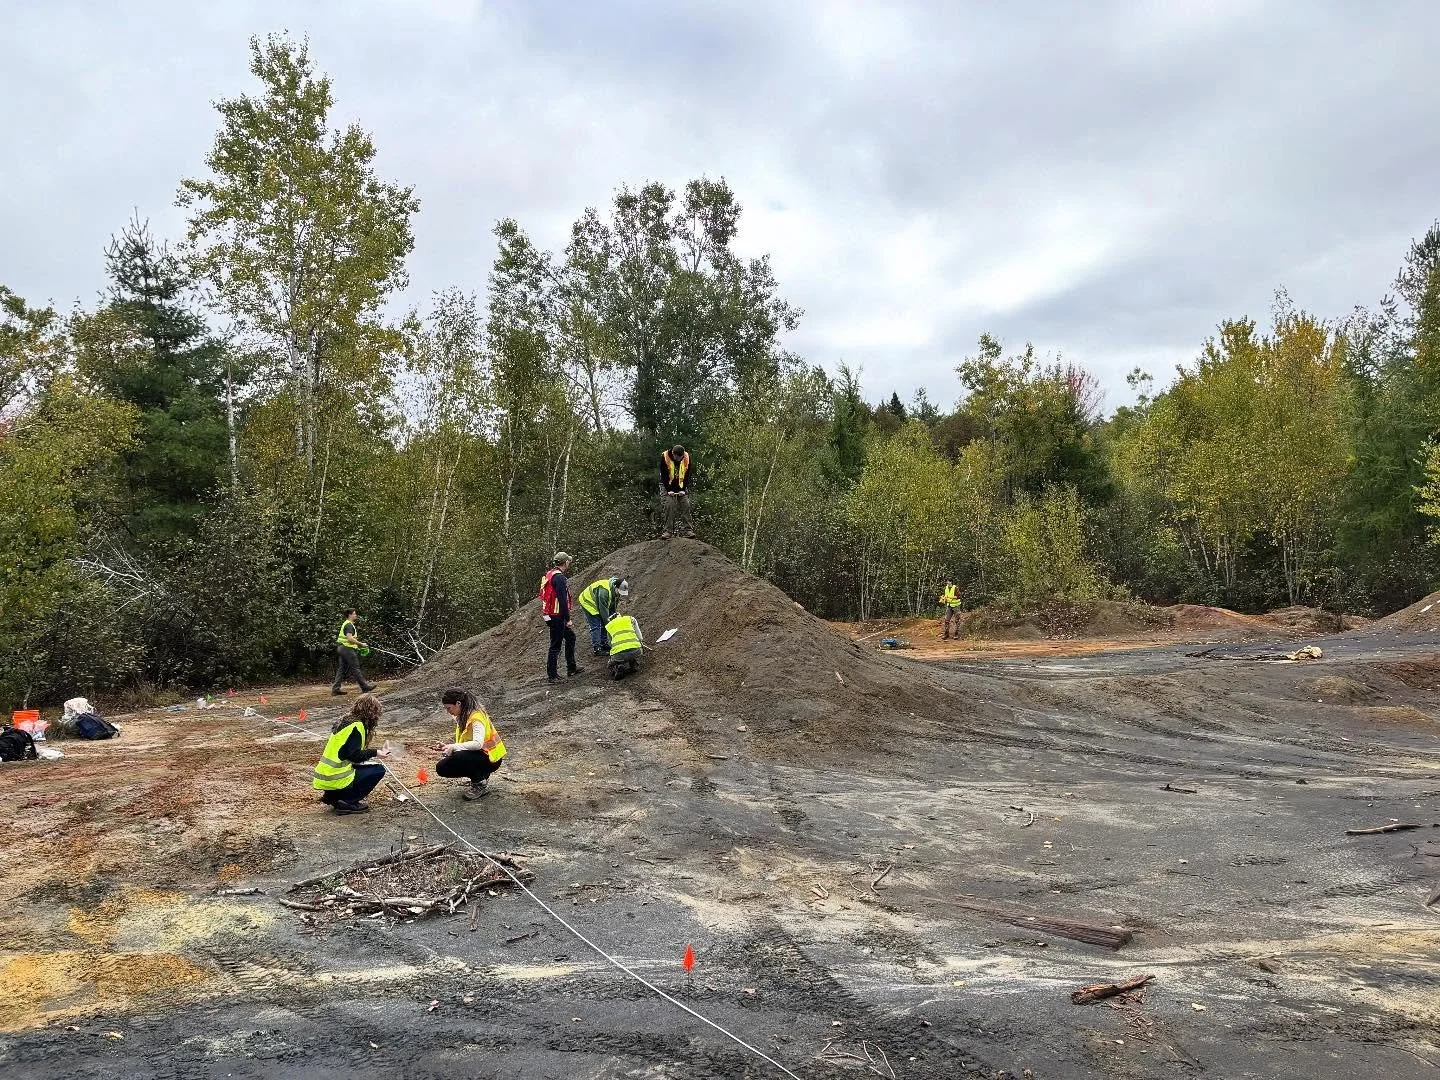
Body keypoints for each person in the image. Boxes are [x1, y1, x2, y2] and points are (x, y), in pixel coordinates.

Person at [312, 693, 389, 815]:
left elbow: (346, 754)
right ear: (370, 712)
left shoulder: (345, 721)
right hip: (336, 777)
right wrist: (376, 752)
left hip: (326, 775)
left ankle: (334, 797)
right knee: (378, 770)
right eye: (376, 712)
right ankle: (347, 801)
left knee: (362, 767)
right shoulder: (357, 726)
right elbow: (354, 755)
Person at [433, 687, 507, 800]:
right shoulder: (463, 716)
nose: (448, 711)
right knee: (443, 767)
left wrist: (453, 747)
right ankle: (478, 777)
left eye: (449, 708)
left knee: (456, 758)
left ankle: (480, 782)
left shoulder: (476, 718)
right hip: (481, 755)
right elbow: (465, 743)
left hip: (492, 758)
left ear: (458, 703)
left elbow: (477, 744)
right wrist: (447, 747)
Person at [540, 552, 580, 682]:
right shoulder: (560, 578)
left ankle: (571, 667)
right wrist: (568, 619)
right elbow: (562, 600)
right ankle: (552, 675)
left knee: (570, 637)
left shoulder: (550, 574)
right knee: (555, 645)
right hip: (557, 615)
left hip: (550, 614)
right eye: (568, 561)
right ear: (566, 563)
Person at [577, 576, 630, 656]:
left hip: (598, 602)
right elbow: (603, 612)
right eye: (619, 592)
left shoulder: (616, 590)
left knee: (606, 622)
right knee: (596, 625)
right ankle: (597, 649)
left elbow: (612, 606)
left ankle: (604, 643)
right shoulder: (604, 591)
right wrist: (609, 624)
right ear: (616, 587)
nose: (620, 594)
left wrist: (613, 617)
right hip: (588, 601)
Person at [332, 607, 375, 695]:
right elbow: (349, 638)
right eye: (354, 614)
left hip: (341, 648)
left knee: (342, 669)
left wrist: (356, 646)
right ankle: (365, 687)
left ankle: (335, 689)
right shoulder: (349, 625)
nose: (356, 615)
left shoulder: (346, 624)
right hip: (346, 649)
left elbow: (348, 640)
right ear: (350, 615)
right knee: (355, 668)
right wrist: (361, 644)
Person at [659, 443, 695, 538]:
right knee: (670, 505)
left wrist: (683, 489)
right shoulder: (665, 457)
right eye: (677, 457)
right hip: (667, 485)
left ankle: (688, 530)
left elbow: (687, 475)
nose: (679, 459)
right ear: (673, 454)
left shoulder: (686, 457)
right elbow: (664, 475)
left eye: (681, 457)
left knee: (686, 504)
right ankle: (668, 531)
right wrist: (669, 489)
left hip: (680, 486)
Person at [605, 612, 644, 680]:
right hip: (636, 651)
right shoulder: (630, 619)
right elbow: (640, 638)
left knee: (610, 664)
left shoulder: (609, 625)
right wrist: (640, 644)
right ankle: (633, 664)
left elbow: (610, 644)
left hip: (619, 655)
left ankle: (618, 667)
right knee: (633, 651)